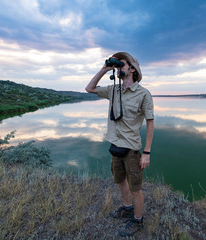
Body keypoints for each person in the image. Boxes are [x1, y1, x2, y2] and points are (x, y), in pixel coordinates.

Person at [85, 52, 154, 237]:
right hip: (115, 146)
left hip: (131, 149)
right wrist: (104, 69)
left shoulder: (143, 94)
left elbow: (150, 122)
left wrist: (146, 152)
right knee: (120, 180)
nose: (118, 68)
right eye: (117, 66)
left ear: (132, 69)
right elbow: (89, 88)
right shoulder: (113, 90)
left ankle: (138, 220)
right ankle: (127, 208)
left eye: (121, 65)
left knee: (135, 188)